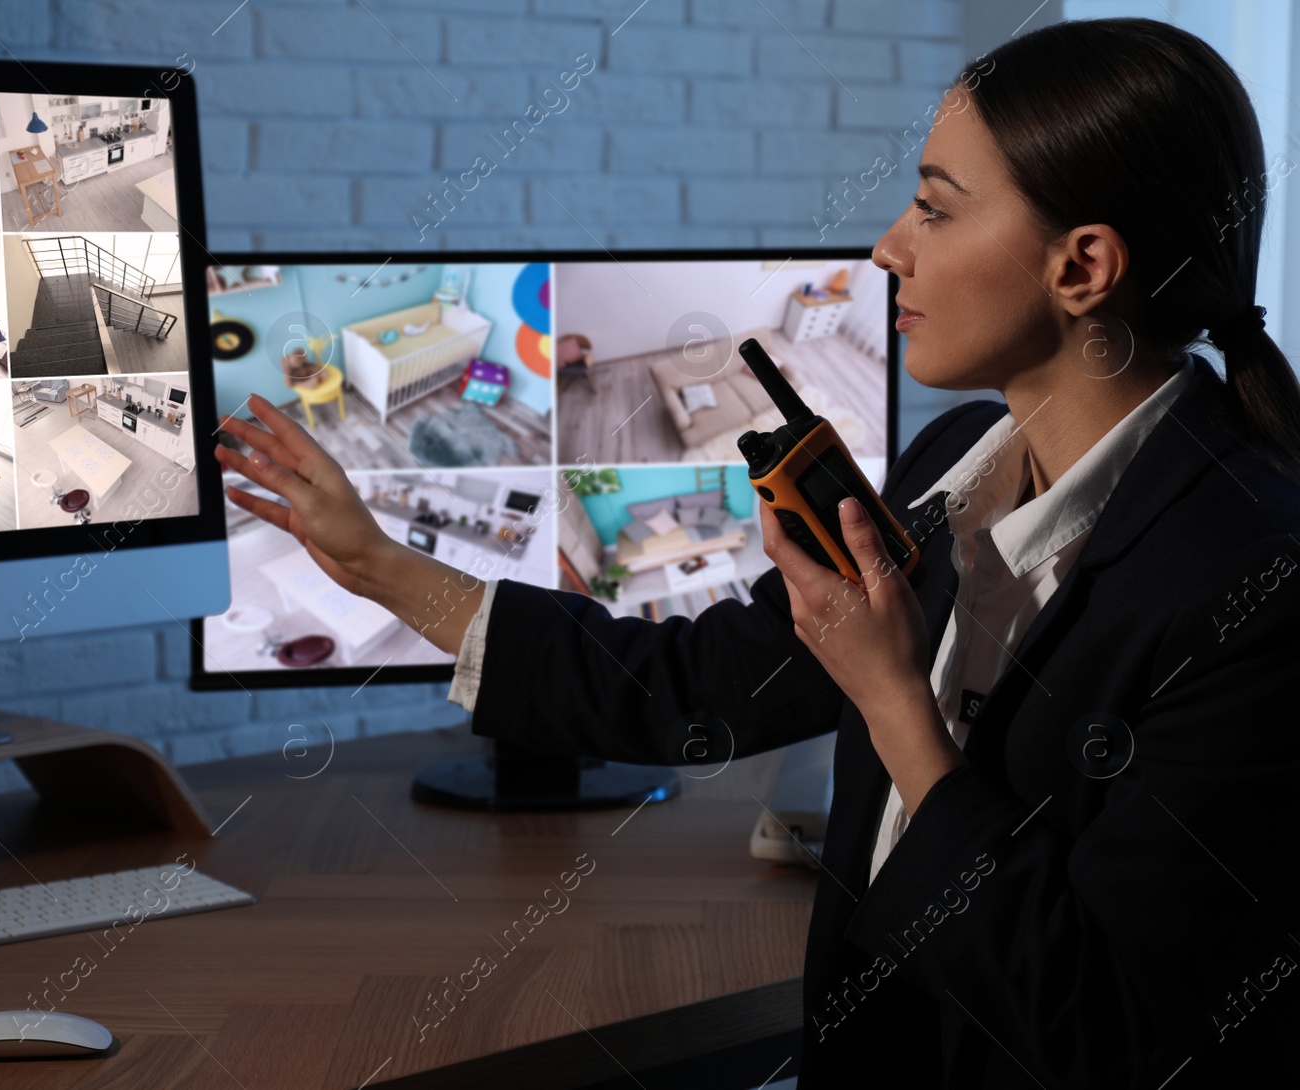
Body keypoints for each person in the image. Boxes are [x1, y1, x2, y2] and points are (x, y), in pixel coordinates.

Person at [218, 17, 1300, 1089]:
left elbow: (1099, 1032)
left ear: (1083, 266)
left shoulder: (1255, 591)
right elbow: (696, 683)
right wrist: (379, 564)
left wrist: (894, 708)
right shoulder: (949, 463)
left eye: (932, 207)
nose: (888, 245)